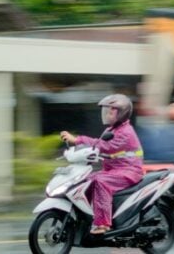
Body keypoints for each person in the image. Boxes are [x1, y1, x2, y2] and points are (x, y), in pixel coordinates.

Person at [60, 94, 144, 235]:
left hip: (129, 171)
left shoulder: (125, 132)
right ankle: (87, 218)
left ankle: (103, 224)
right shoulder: (111, 130)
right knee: (85, 180)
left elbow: (105, 146)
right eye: (106, 111)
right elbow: (98, 147)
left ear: (122, 113)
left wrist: (77, 140)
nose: (106, 114)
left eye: (111, 111)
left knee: (101, 182)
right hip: (114, 170)